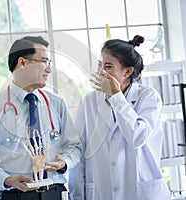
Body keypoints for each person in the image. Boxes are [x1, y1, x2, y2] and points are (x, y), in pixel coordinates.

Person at [0, 36, 82, 200]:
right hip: (15, 194)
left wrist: (64, 162)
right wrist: (8, 180)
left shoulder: (56, 103)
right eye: (44, 61)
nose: (49, 69)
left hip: (55, 192)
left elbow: (74, 146)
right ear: (22, 63)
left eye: (50, 63)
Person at [68, 35, 171, 200]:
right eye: (100, 65)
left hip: (141, 192)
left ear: (128, 71)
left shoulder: (148, 97)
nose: (101, 72)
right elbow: (78, 153)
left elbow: (137, 137)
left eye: (108, 66)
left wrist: (116, 96)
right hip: (101, 192)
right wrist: (78, 196)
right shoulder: (89, 101)